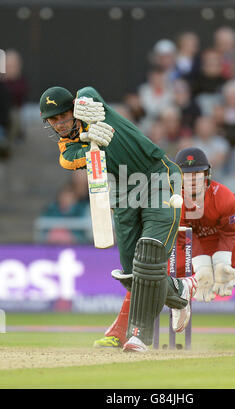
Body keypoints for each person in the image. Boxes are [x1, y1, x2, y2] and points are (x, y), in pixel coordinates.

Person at [39, 85, 198, 353]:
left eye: (62, 115)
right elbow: (74, 159)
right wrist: (91, 145)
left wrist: (89, 112)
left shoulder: (91, 105)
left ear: (72, 108)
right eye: (53, 120)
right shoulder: (67, 151)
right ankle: (179, 291)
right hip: (123, 190)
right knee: (131, 274)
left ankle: (138, 336)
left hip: (156, 175)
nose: (59, 124)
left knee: (149, 251)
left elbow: (90, 92)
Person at [98, 148, 235, 352]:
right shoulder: (170, 199)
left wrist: (220, 265)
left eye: (197, 174)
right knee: (146, 272)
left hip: (225, 241)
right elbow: (184, 236)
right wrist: (203, 269)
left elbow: (230, 233)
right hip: (187, 242)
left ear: (206, 174)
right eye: (187, 174)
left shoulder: (225, 196)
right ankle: (118, 334)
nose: (193, 179)